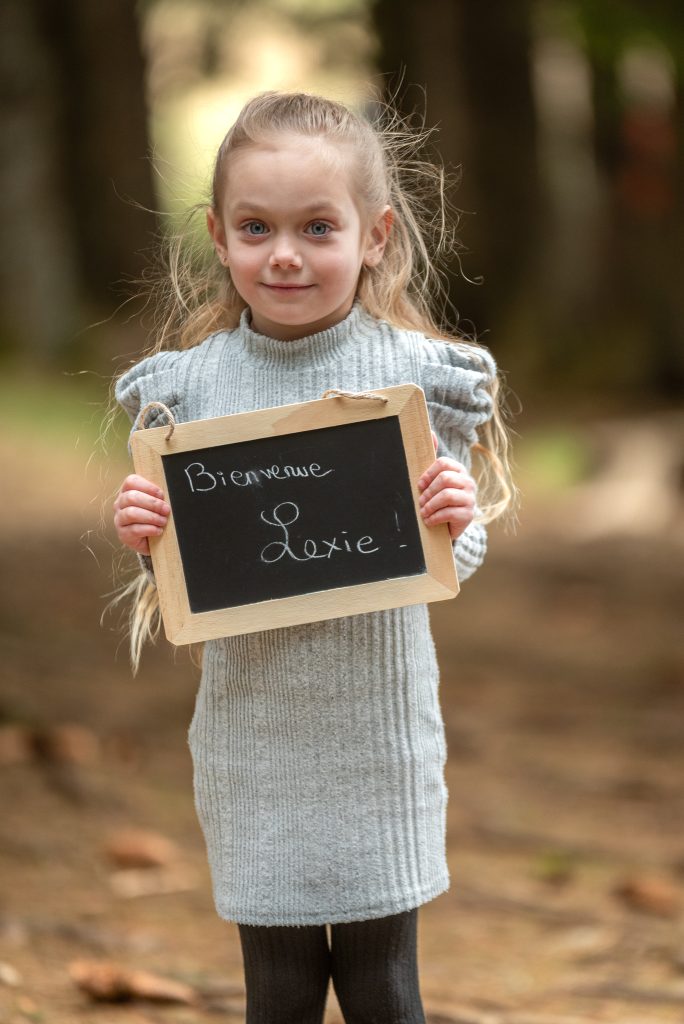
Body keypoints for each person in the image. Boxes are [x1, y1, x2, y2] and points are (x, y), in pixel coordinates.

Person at [112, 91, 514, 1024]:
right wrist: (147, 530)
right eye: (256, 227)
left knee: (383, 988)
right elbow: (186, 567)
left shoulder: (405, 378)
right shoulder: (192, 390)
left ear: (374, 235)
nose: (284, 253)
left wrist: (459, 516)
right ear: (218, 234)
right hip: (255, 746)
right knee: (281, 992)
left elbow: (455, 545)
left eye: (316, 228)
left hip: (377, 738)